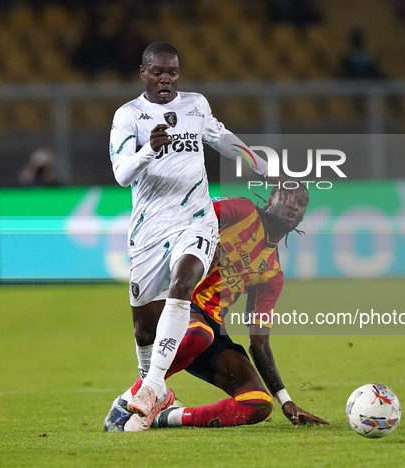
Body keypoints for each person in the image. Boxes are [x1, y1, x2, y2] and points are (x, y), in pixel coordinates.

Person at [108, 42, 269, 430]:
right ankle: (154, 388)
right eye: (158, 72)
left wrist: (259, 163)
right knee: (143, 328)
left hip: (194, 220)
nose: (166, 79)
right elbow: (121, 173)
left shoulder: (196, 105)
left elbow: (221, 137)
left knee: (183, 284)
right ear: (143, 73)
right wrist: (149, 149)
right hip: (148, 231)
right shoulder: (128, 116)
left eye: (172, 72)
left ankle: (151, 387)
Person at [105, 185, 328, 431]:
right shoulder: (243, 211)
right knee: (201, 332)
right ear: (270, 198)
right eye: (287, 197)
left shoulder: (272, 274)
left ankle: (165, 416)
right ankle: (128, 401)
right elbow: (189, 216)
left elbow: (259, 343)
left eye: (301, 202)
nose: (294, 205)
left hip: (210, 327)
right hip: (177, 302)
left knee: (257, 403)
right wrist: (205, 241)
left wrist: (285, 400)